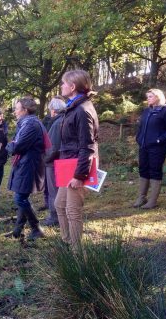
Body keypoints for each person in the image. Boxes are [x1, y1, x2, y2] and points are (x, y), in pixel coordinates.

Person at [54, 69, 99, 248]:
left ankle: (76, 254)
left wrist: (79, 176)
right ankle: (67, 243)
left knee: (73, 211)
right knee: (59, 205)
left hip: (77, 168)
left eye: (64, 83)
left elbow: (87, 146)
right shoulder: (73, 107)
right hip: (68, 165)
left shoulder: (82, 109)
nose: (61, 86)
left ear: (72, 87)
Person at [6, 97, 47, 240]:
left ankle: (36, 227)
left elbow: (17, 146)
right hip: (25, 163)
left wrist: (10, 145)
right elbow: (15, 143)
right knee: (21, 196)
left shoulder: (31, 124)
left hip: (29, 165)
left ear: (25, 110)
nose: (15, 112)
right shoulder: (26, 123)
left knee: (20, 198)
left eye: (17, 109)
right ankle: (18, 229)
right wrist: (12, 144)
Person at [133, 89, 166, 209]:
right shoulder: (147, 111)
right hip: (143, 146)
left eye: (150, 96)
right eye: (147, 96)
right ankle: (141, 198)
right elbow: (141, 126)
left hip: (157, 148)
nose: (147, 98)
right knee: (143, 170)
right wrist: (138, 138)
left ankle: (152, 201)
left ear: (158, 97)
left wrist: (160, 139)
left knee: (155, 171)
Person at [43, 97, 67, 226]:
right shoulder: (64, 119)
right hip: (61, 161)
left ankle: (54, 217)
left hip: (53, 163)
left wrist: (44, 159)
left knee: (54, 191)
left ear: (53, 110)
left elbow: (52, 147)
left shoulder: (57, 123)